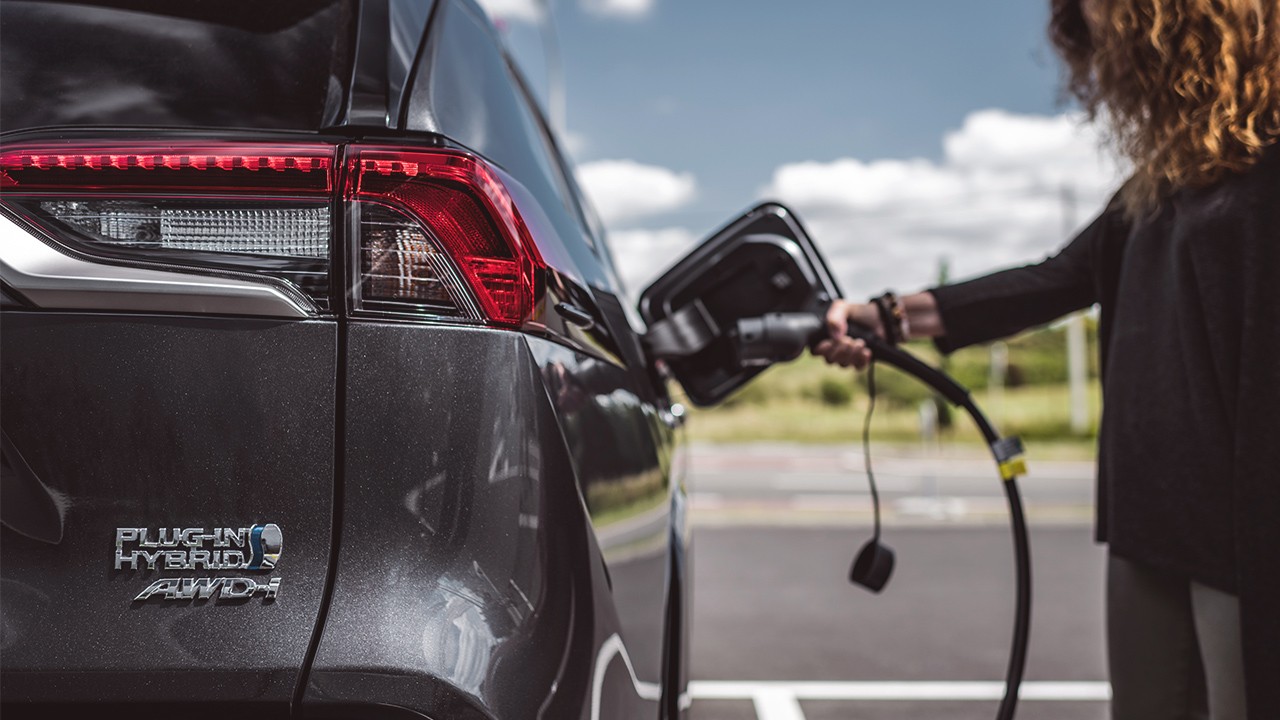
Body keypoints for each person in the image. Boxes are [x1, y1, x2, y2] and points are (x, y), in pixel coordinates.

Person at [814, 1, 1280, 718]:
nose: (1107, 69)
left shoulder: (1266, 164)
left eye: (1111, 37)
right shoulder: (1159, 186)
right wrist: (885, 317)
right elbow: (1052, 280)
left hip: (1245, 543)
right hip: (1147, 526)